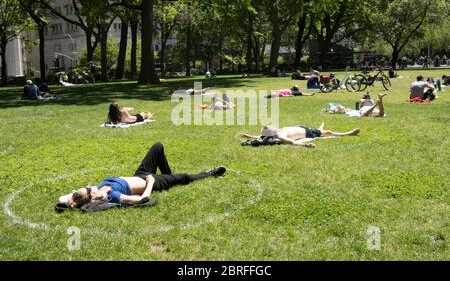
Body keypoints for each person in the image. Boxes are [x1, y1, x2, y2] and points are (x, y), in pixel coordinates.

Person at [64, 142, 227, 208]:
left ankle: (169, 177)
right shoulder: (111, 196)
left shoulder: (98, 190)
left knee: (157, 147)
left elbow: (66, 198)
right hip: (150, 181)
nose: (88, 185)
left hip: (140, 174)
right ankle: (211, 173)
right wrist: (150, 182)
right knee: (185, 177)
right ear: (93, 197)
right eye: (87, 188)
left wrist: (73, 200)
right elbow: (143, 199)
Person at [241, 123, 360, 149]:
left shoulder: (278, 131)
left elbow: (261, 136)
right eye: (271, 128)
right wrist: (304, 145)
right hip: (308, 132)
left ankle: (320, 128)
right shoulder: (280, 134)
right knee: (327, 132)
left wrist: (249, 136)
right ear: (272, 133)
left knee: (322, 130)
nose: (273, 126)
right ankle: (348, 134)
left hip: (302, 127)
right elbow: (289, 141)